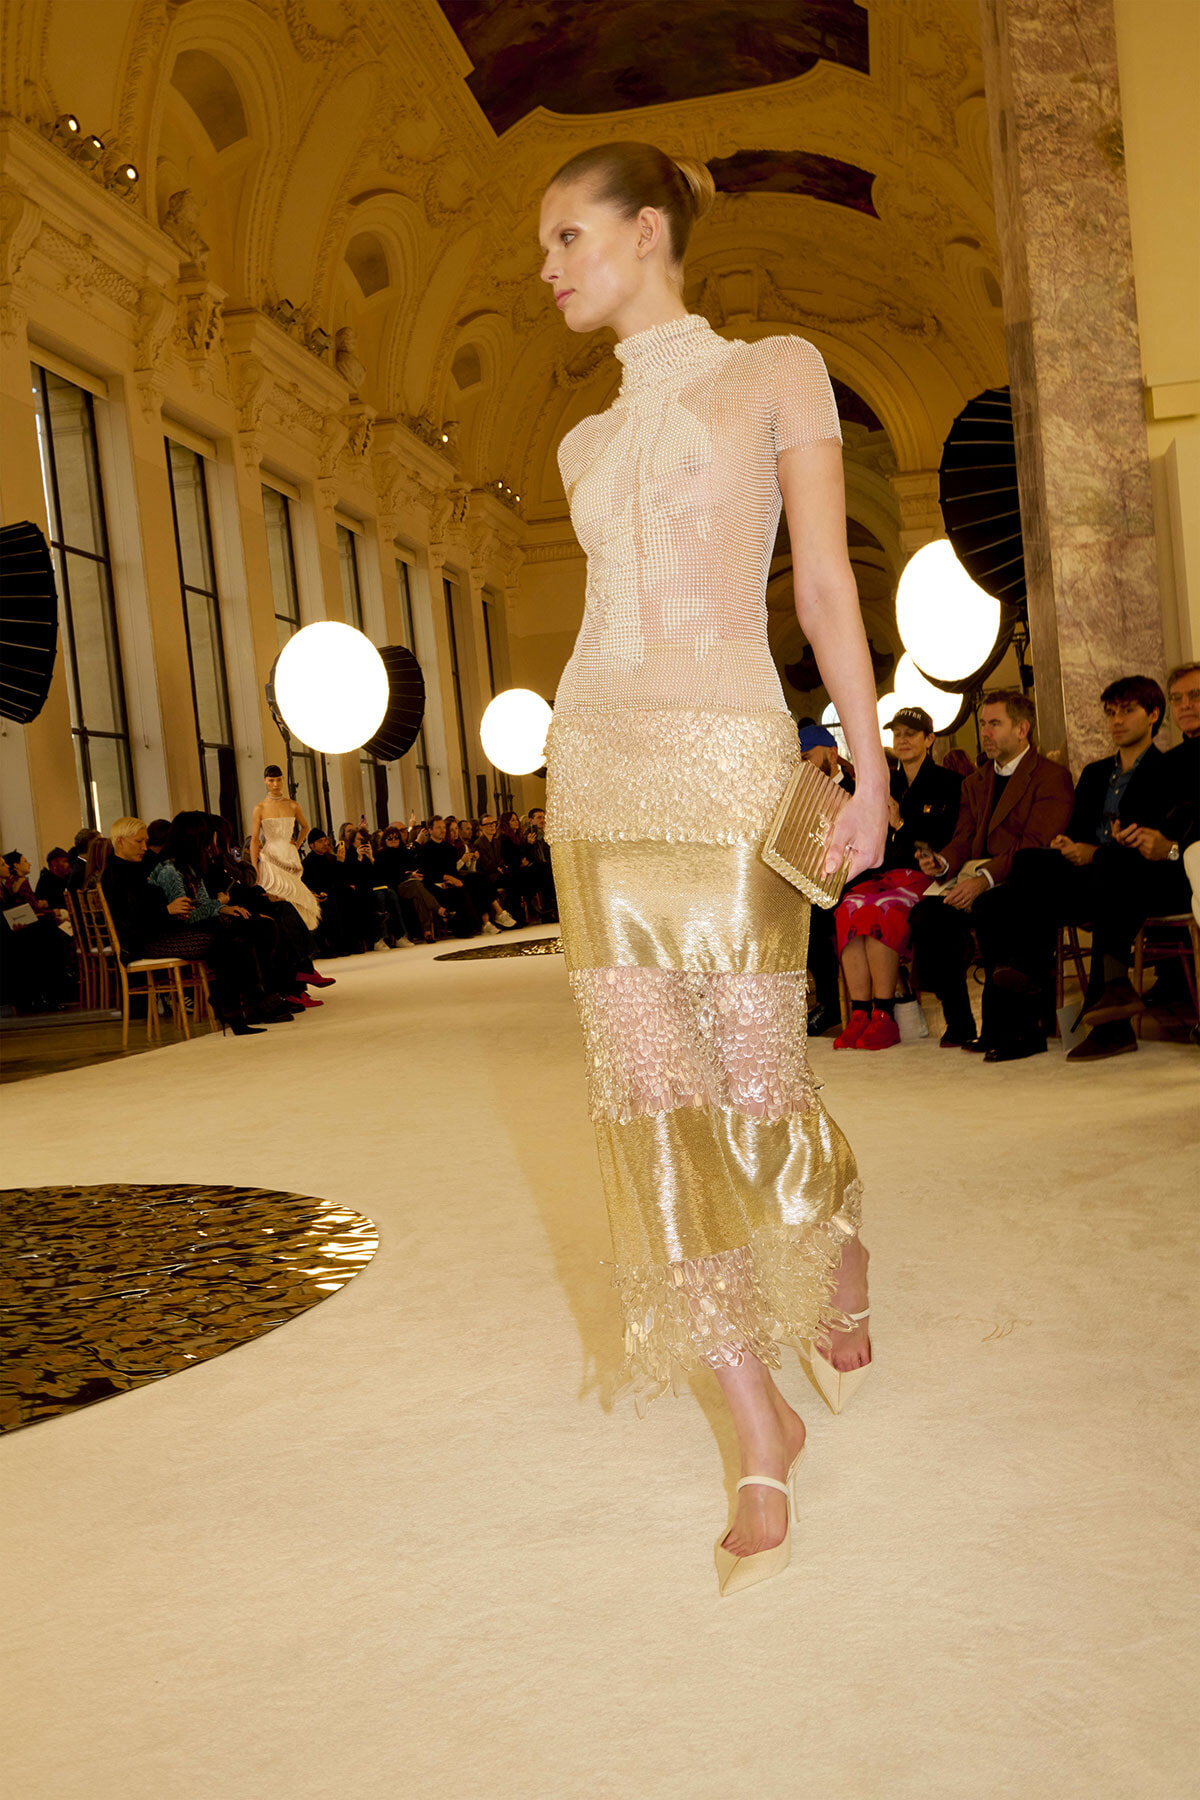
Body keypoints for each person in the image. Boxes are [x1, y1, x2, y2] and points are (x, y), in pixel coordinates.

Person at [537, 140, 888, 1594]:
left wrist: (863, 764)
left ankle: (838, 1243)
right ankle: (755, 1413)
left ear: (647, 231)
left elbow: (818, 581)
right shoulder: (575, 444)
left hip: (733, 755)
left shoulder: (774, 370)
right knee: (647, 1107)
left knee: (758, 1088)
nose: (549, 268)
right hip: (594, 768)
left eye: (568, 237)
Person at [982, 676, 1175, 1058]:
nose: (1116, 720)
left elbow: (1160, 837)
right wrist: (1068, 845)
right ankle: (1027, 998)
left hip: (1141, 878)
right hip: (1092, 876)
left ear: (1153, 715)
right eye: (1111, 713)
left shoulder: (1166, 770)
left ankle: (1112, 1017)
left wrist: (1096, 852)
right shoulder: (1094, 773)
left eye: (1127, 711)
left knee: (1112, 860)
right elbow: (1075, 832)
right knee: (1027, 864)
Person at [908, 691, 1074, 1051]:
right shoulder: (975, 782)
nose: (985, 731)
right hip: (976, 879)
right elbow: (963, 840)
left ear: (1022, 729)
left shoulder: (1050, 776)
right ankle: (960, 1020)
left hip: (1025, 881)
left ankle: (1006, 1026)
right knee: (926, 915)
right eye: (983, 723)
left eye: (994, 723)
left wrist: (983, 880)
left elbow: (1035, 845)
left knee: (990, 907)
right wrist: (943, 861)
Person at [834, 707, 963, 1049]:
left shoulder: (949, 784)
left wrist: (901, 824)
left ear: (929, 739)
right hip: (883, 875)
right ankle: (860, 1013)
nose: (903, 740)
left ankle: (884, 1015)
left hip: (924, 877)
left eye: (911, 734)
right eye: (898, 734)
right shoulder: (885, 783)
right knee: (849, 907)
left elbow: (944, 842)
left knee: (881, 910)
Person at [100, 818, 265, 1034]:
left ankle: (238, 1003)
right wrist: (167, 910)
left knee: (226, 929)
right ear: (119, 842)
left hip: (162, 930)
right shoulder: (114, 875)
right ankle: (232, 1008)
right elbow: (130, 920)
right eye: (138, 842)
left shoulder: (142, 865)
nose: (144, 847)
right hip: (143, 942)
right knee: (218, 939)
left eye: (145, 841)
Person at [796, 724, 853, 1033]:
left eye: (808, 758)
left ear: (832, 754)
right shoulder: (802, 800)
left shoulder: (855, 793)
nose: (803, 766)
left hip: (852, 882)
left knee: (816, 919)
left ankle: (832, 1004)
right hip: (816, 883)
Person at [249, 766, 320, 933]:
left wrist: (298, 842)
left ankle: (300, 938)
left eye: (278, 780)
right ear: (265, 781)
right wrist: (254, 867)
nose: (275, 784)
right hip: (270, 856)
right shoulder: (260, 808)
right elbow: (254, 839)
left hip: (290, 854)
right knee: (276, 894)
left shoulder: (293, 805)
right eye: (271, 780)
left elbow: (305, 827)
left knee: (295, 895)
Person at [419, 816, 482, 936]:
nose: (442, 830)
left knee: (475, 881)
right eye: (438, 828)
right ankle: (465, 928)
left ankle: (480, 923)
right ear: (430, 830)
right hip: (433, 885)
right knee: (460, 891)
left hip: (449, 882)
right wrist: (448, 878)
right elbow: (428, 873)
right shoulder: (425, 850)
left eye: (443, 827)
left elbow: (453, 870)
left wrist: (452, 880)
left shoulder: (449, 849)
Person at [35, 848, 73, 912]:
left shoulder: (68, 878)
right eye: (64, 861)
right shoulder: (45, 882)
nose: (68, 865)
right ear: (54, 863)